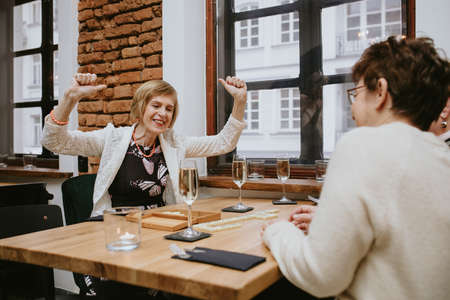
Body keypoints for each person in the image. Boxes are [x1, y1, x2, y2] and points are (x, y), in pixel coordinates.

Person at [261, 36, 450, 299]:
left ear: (381, 92)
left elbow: (319, 275)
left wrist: (277, 231)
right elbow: (410, 239)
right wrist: (332, 223)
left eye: (357, 93)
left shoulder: (364, 144)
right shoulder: (442, 156)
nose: (353, 106)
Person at [41, 73, 247, 299]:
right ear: (140, 107)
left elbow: (223, 142)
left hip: (158, 232)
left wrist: (239, 101)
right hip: (116, 233)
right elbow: (55, 141)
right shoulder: (113, 139)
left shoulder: (174, 144)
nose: (162, 113)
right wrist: (70, 98)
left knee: (191, 277)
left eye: (169, 109)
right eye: (156, 105)